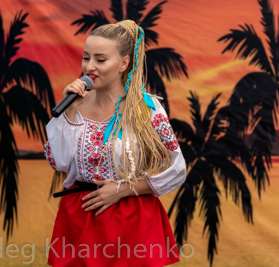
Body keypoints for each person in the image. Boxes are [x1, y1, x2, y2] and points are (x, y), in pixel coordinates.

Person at [44, 20, 186, 267]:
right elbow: (58, 161)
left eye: (100, 60)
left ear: (124, 63)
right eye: (86, 57)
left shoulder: (147, 109)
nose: (89, 67)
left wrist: (122, 190)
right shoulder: (74, 106)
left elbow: (177, 168)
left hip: (130, 217)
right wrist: (68, 114)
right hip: (80, 216)